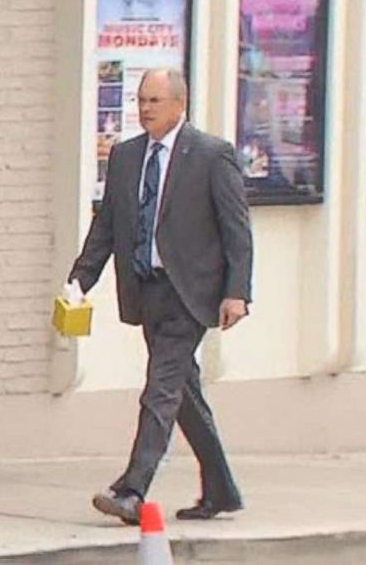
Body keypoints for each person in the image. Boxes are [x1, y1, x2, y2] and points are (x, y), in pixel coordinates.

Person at [67, 68, 252, 525]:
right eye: (141, 100)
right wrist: (79, 280)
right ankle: (221, 490)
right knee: (182, 393)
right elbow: (107, 225)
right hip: (146, 289)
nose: (145, 108)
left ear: (178, 104)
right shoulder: (127, 156)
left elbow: (236, 229)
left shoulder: (211, 155)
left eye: (154, 100)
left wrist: (237, 292)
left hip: (190, 291)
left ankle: (132, 489)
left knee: (160, 389)